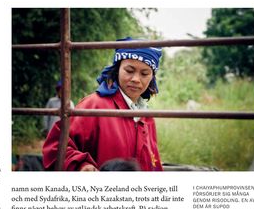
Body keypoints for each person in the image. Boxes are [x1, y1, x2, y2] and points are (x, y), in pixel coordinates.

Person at [42, 38, 163, 171]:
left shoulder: (147, 117)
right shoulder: (95, 105)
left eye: (144, 73)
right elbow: (56, 147)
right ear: (117, 69)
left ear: (152, 77)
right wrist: (81, 166)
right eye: (129, 70)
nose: (135, 79)